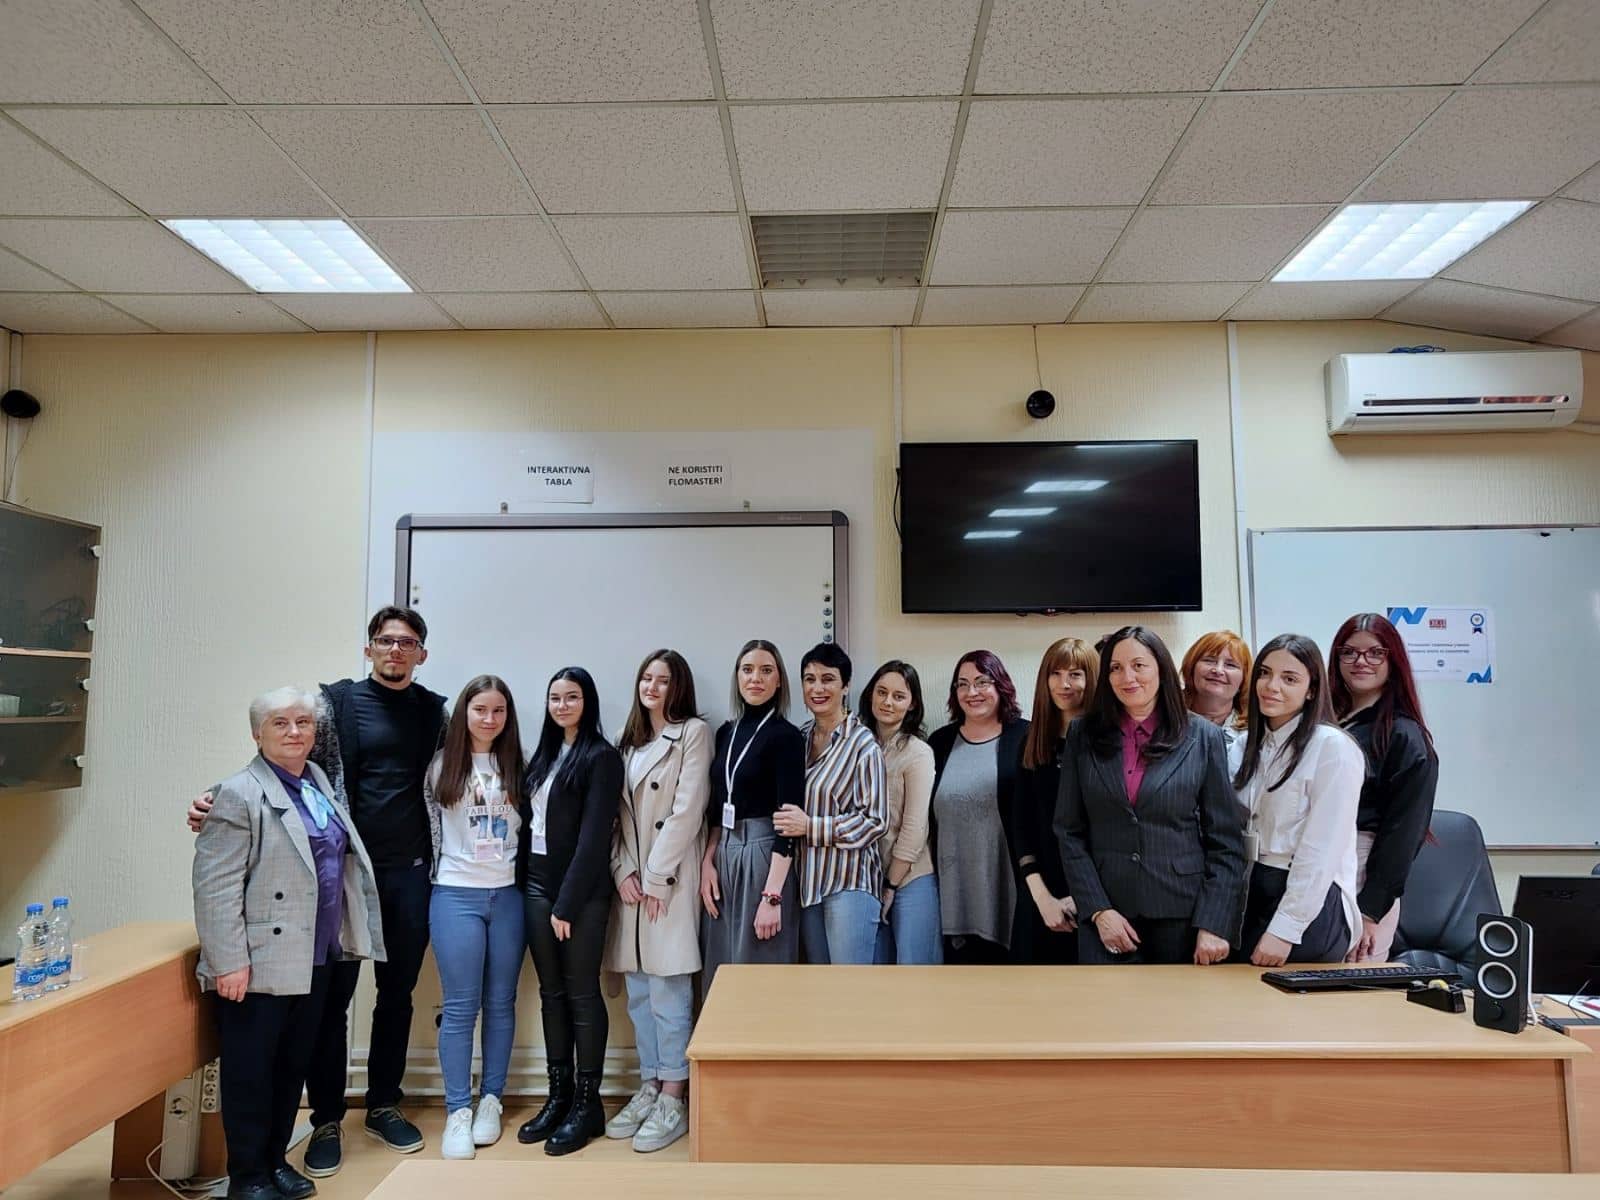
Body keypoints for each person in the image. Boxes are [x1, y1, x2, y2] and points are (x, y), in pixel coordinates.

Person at [188, 607, 445, 1175]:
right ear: (369, 648)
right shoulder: (334, 706)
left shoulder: (435, 713)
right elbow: (282, 755)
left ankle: (383, 1104)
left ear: (421, 654)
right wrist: (214, 797)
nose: (395, 650)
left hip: (408, 874)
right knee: (329, 1005)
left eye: (407, 642)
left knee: (397, 996)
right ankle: (327, 1117)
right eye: (385, 640)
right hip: (342, 877)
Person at [193, 688, 384, 1200]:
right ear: (257, 733)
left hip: (316, 956)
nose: (295, 731)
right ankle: (247, 1176)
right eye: (280, 723)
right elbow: (214, 888)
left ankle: (275, 1162)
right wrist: (228, 962)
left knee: (290, 1067)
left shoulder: (316, 780)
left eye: (303, 722)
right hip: (258, 963)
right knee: (251, 1073)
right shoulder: (237, 794)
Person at [1054, 626, 1247, 966]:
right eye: (1115, 668)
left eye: (1138, 665)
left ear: (1161, 669)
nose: (1127, 677)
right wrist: (1097, 909)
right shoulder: (1083, 734)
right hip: (1107, 915)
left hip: (1183, 916)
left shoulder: (1203, 736)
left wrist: (1214, 923)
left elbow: (1226, 841)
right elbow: (1068, 830)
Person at [603, 650, 710, 1154]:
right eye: (646, 677)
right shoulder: (626, 742)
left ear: (678, 686)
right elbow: (613, 817)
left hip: (670, 880)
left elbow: (688, 811)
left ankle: (674, 1093)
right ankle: (649, 1083)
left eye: (662, 680)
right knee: (640, 993)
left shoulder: (693, 734)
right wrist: (622, 870)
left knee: (670, 990)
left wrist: (655, 878)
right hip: (631, 886)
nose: (652, 686)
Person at [515, 667, 623, 1156]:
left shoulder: (601, 757)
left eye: (571, 697)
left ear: (587, 702)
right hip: (537, 885)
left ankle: (587, 1103)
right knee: (551, 994)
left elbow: (594, 838)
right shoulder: (543, 755)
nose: (562, 706)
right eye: (555, 697)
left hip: (579, 893)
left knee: (581, 994)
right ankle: (558, 1096)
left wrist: (567, 904)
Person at [423, 676, 525, 1160]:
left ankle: (491, 1100)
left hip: (507, 896)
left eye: (498, 710)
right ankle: (458, 1110)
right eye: (480, 709)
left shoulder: (520, 764)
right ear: (464, 712)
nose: (489, 719)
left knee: (501, 1003)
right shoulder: (441, 765)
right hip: (455, 894)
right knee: (461, 1006)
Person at [1231, 635, 1363, 966]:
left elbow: (1322, 850)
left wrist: (1286, 928)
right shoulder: (1243, 746)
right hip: (1251, 888)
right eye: (1264, 673)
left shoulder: (1332, 747)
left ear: (1312, 690)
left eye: (1289, 679)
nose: (1271, 686)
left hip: (1309, 898)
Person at [1329, 613, 1439, 963]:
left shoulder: (1404, 736)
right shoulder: (1326, 724)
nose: (1361, 661)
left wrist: (1370, 912)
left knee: (1349, 984)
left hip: (1365, 870)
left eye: (1375, 653)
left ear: (1394, 661)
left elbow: (1403, 833)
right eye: (1349, 652)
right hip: (1319, 862)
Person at [700, 639, 804, 992]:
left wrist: (772, 896)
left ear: (779, 681)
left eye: (766, 670)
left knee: (759, 971)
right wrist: (708, 862)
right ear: (737, 677)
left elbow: (789, 823)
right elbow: (717, 810)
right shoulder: (726, 733)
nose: (755, 678)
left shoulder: (787, 737)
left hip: (763, 857)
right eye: (747, 670)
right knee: (720, 969)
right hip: (724, 855)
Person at [775, 642, 887, 965]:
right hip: (808, 885)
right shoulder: (799, 738)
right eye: (809, 679)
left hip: (849, 884)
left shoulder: (863, 744)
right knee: (821, 987)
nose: (817, 688)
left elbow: (875, 820)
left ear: (845, 686)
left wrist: (811, 826)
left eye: (828, 679)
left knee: (849, 989)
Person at [927, 650, 1030, 964]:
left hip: (1010, 891)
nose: (971, 692)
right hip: (952, 896)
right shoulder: (939, 742)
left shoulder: (1026, 736)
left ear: (1001, 686)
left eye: (982, 682)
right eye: (962, 684)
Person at [1013, 638, 1097, 965]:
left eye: (1075, 674)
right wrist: (1043, 898)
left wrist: (1086, 898)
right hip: (1040, 898)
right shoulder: (1031, 742)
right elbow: (1021, 827)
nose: (1064, 684)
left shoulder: (1109, 743)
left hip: (1098, 900)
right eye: (1056, 674)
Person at [858, 660, 940, 965]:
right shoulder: (857, 745)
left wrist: (891, 884)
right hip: (866, 880)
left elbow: (915, 828)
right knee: (876, 978)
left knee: (915, 975)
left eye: (898, 696)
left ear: (912, 703)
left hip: (910, 878)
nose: (888, 702)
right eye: (881, 692)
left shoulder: (917, 752)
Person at [1180, 630, 1252, 772]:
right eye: (1209, 660)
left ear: (1244, 678)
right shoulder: (1166, 718)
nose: (1218, 670)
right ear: (1192, 667)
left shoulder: (1252, 733)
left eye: (1230, 665)